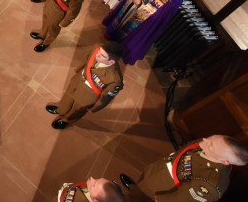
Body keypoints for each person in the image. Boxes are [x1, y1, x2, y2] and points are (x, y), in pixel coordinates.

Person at [119, 135, 248, 202]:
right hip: (158, 171)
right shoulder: (205, 145)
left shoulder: (210, 184)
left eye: (211, 144)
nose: (205, 140)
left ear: (223, 161)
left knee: (137, 197)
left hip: (162, 189)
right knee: (142, 183)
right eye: (211, 137)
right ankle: (136, 190)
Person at [103, 0, 187, 65]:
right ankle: (112, 33)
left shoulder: (174, 0)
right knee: (122, 20)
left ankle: (119, 47)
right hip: (133, 8)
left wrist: (142, 7)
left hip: (143, 21)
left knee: (130, 33)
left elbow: (158, 18)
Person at [45, 42, 123, 129]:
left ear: (111, 62)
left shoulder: (114, 79)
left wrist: (94, 107)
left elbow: (105, 97)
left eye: (102, 56)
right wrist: (79, 69)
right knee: (68, 97)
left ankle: (67, 119)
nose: (97, 55)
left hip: (88, 94)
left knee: (76, 110)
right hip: (78, 80)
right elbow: (87, 59)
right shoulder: (96, 48)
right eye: (99, 52)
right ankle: (61, 108)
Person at [57, 177, 125, 202]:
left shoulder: (72, 197)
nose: (92, 178)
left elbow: (63, 194)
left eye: (93, 185)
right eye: (97, 179)